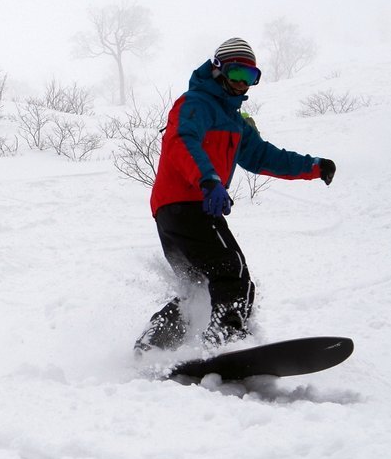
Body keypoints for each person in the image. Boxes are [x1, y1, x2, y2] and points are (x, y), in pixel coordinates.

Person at [134, 38, 336, 353]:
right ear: (218, 70)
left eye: (250, 77)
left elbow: (263, 156)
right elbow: (181, 141)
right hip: (187, 203)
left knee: (200, 288)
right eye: (237, 74)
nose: (243, 84)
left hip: (179, 209)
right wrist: (208, 180)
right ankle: (225, 342)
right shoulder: (195, 103)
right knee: (231, 270)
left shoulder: (234, 121)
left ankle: (153, 346)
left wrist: (312, 167)